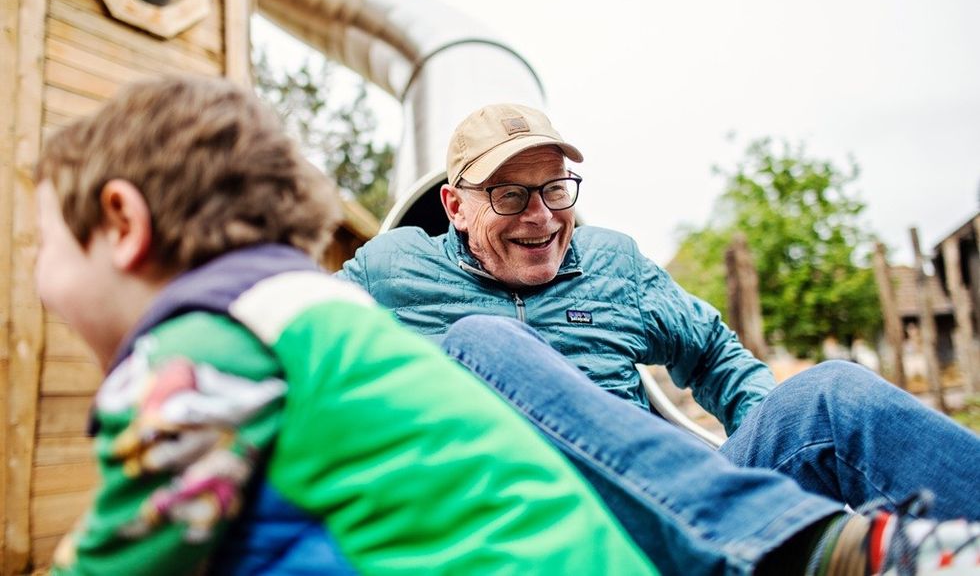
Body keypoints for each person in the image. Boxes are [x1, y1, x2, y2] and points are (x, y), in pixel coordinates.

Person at [33, 78, 658, 575]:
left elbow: (119, 557)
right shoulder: (315, 313)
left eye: (45, 242)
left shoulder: (203, 353)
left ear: (123, 223)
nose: (38, 276)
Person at [340, 102, 980, 575]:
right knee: (482, 339)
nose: (541, 217)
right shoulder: (393, 270)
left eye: (556, 190)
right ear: (455, 207)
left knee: (832, 396)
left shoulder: (614, 264)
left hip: (677, 515)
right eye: (510, 196)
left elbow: (717, 356)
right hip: (529, 535)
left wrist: (765, 502)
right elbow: (292, 336)